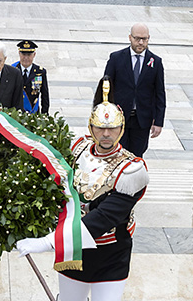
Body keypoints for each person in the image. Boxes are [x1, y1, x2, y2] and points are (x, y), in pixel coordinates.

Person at [16, 77, 148, 301]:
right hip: (73, 252)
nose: (106, 134)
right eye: (100, 128)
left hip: (110, 256)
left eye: (112, 129)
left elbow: (105, 217)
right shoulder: (78, 149)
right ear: (91, 127)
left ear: (121, 129)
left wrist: (48, 241)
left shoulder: (132, 170)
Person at [103, 23, 166, 157]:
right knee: (118, 154)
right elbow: (106, 88)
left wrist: (159, 121)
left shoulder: (156, 62)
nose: (141, 42)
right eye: (137, 38)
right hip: (119, 118)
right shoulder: (116, 58)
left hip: (142, 119)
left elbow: (160, 93)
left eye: (144, 39)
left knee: (137, 156)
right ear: (130, 37)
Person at [11, 40, 49, 114]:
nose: (26, 58)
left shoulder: (40, 72)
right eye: (23, 54)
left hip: (33, 113)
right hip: (16, 113)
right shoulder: (12, 70)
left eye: (29, 55)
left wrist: (45, 114)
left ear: (34, 55)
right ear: (19, 53)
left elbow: (45, 96)